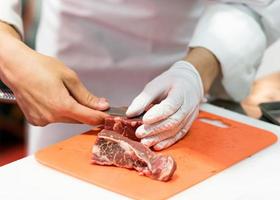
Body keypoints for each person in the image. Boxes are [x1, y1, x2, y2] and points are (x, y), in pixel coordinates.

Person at [0, 0, 279, 154]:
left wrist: (196, 71)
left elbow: (257, 6)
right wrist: (9, 51)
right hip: (66, 59)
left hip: (180, 58)